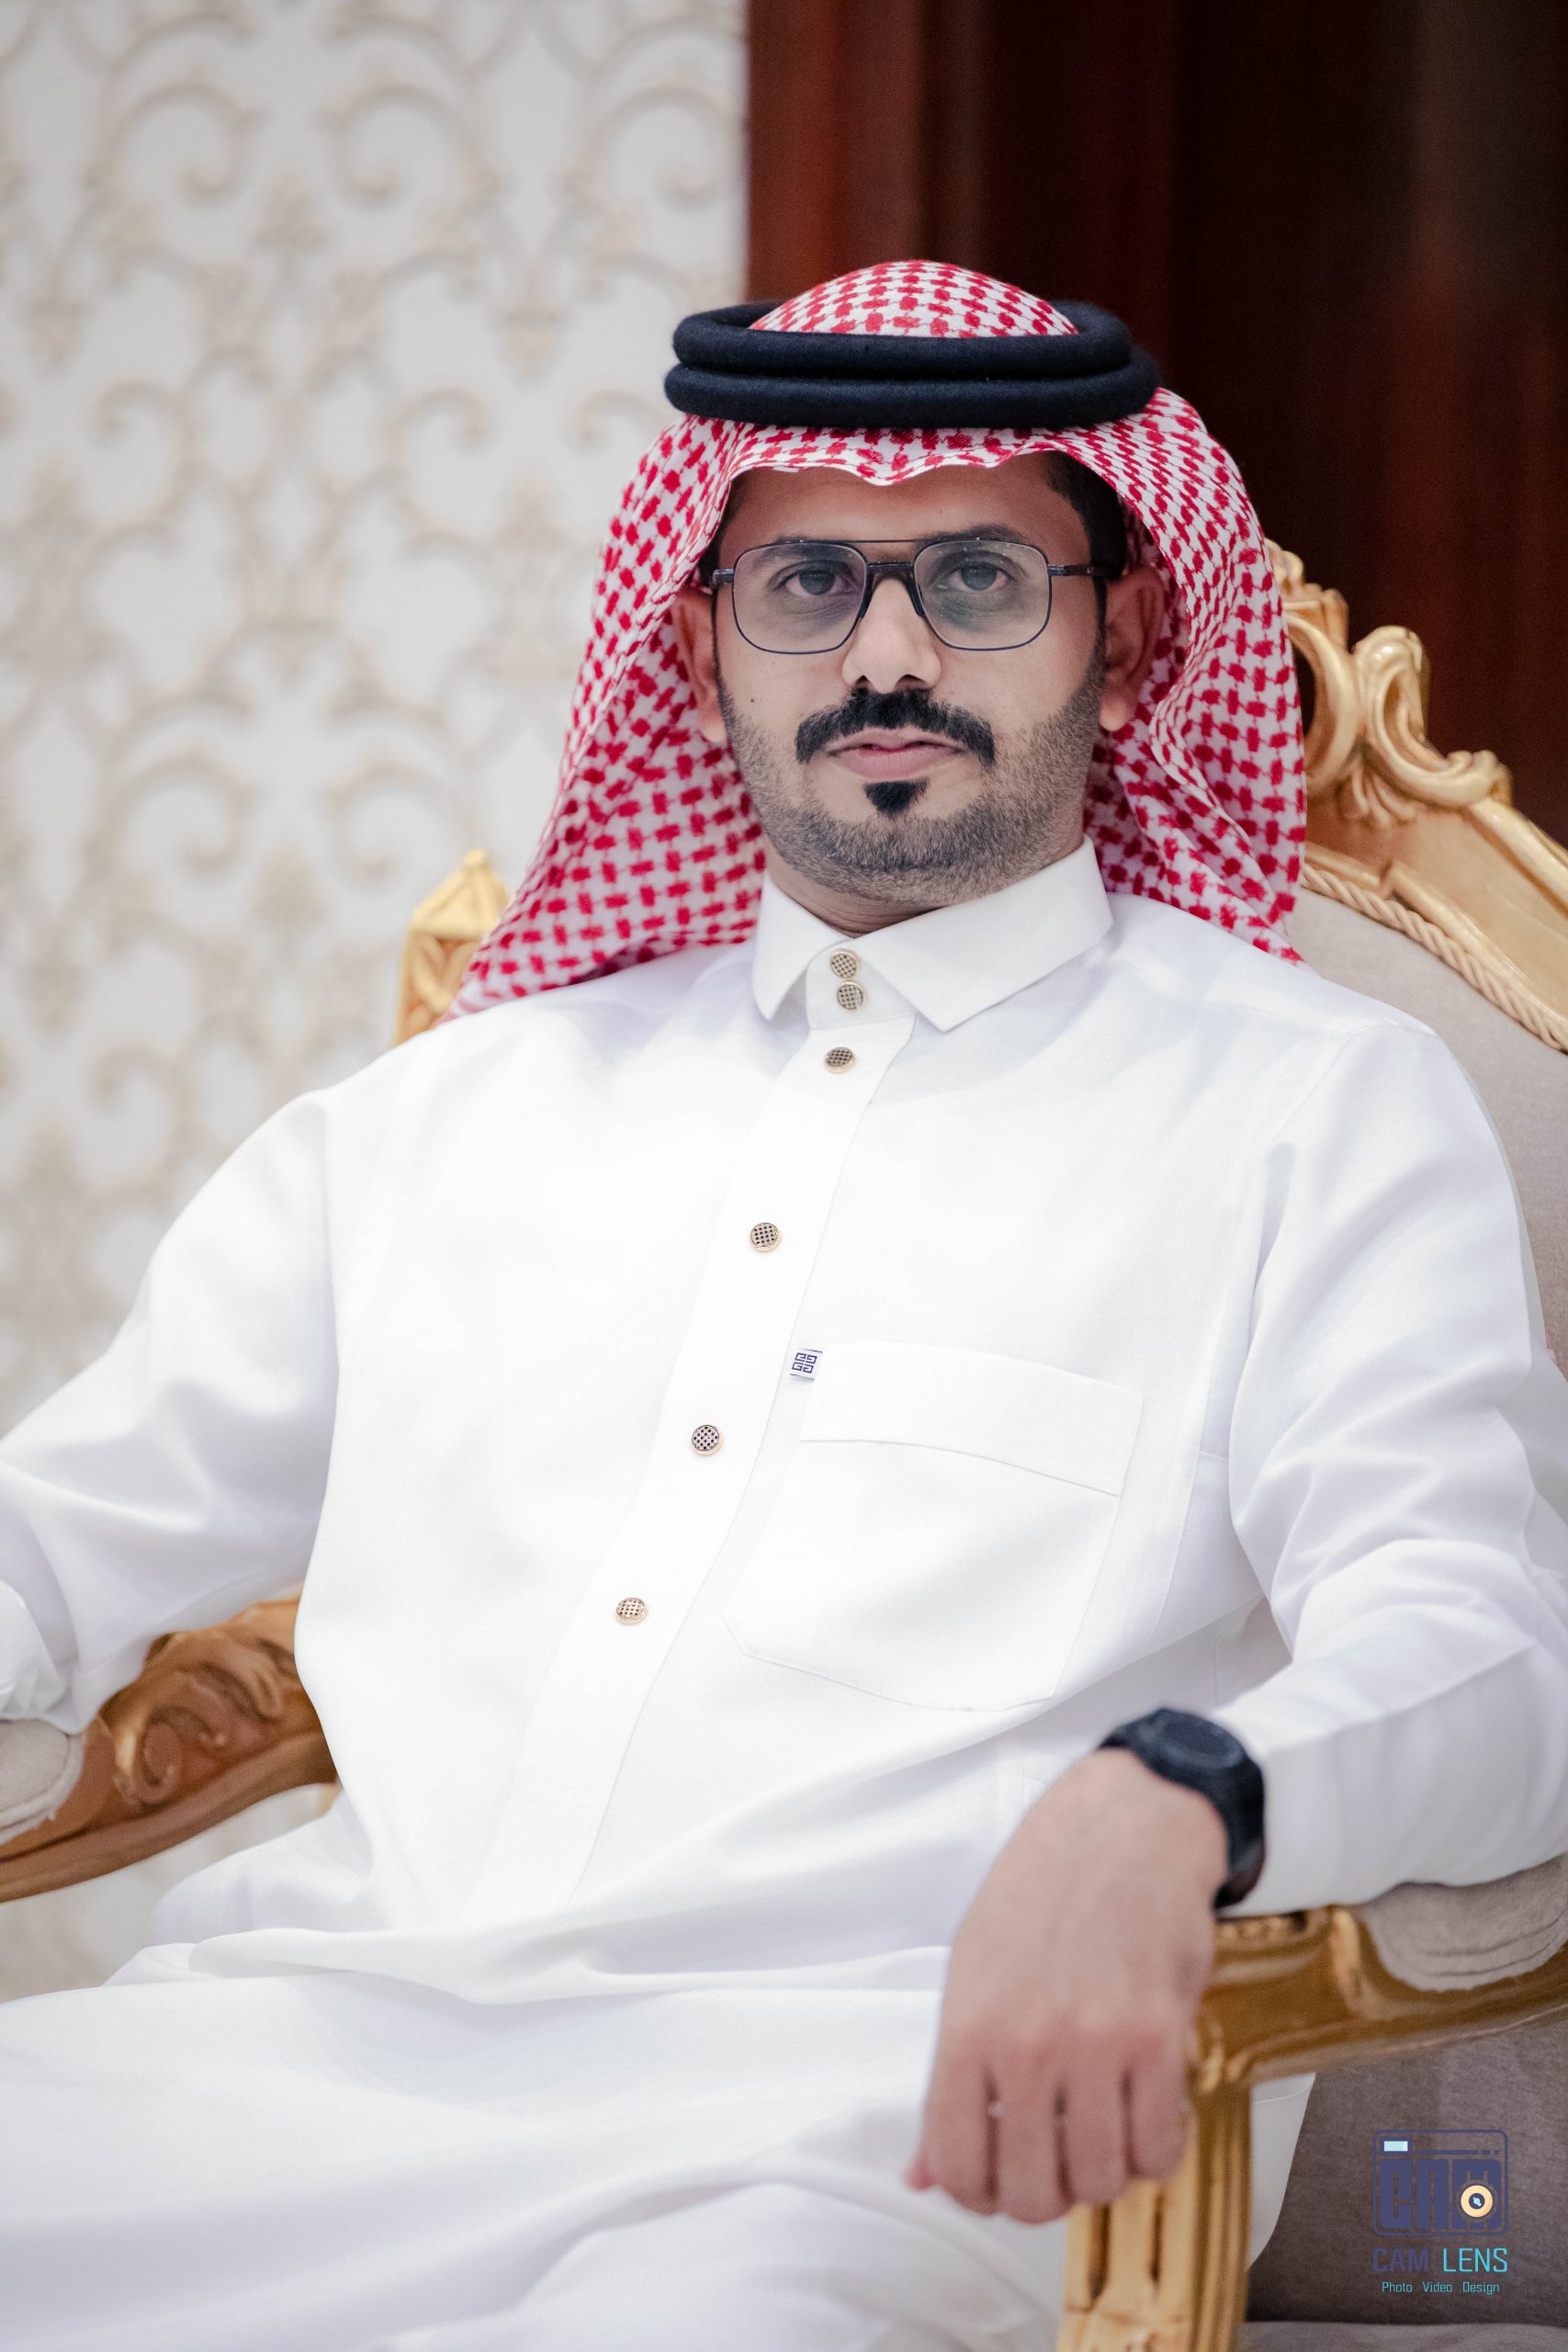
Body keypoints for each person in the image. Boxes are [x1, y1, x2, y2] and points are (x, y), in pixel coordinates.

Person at [0, 261, 1564, 2352]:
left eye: (978, 580)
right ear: (699, 641)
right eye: (808, 582)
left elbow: (1486, 1655)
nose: (886, 655)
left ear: (1124, 644)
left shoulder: (1313, 1108)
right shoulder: (443, 1119)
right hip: (276, 2064)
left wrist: (1181, 1794)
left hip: (864, 2134)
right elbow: (54, 1544)